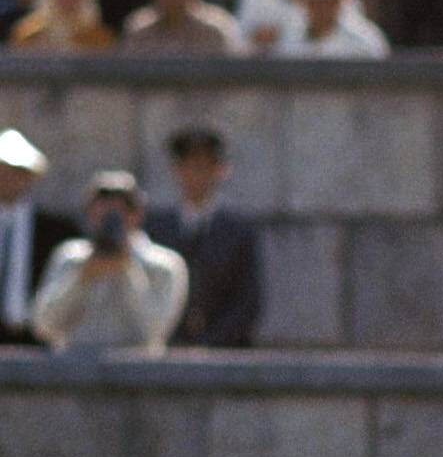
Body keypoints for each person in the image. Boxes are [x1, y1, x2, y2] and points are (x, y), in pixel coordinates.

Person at [30, 169, 188, 354]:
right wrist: (83, 278)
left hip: (138, 374)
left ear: (138, 215)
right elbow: (43, 326)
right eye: (102, 211)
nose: (110, 220)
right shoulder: (71, 258)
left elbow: (155, 332)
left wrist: (128, 270)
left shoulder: (163, 265)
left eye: (121, 211)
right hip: (75, 372)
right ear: (89, 213)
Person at [144, 125, 263, 346]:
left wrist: (209, 342)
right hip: (166, 349)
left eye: (204, 166)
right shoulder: (157, 227)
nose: (197, 175)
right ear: (177, 170)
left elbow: (248, 300)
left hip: (227, 351)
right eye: (189, 166)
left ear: (220, 170)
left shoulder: (238, 229)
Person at [0, 125, 71, 346]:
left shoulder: (56, 230)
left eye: (19, 172)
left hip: (37, 340)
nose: (9, 179)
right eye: (3, 171)